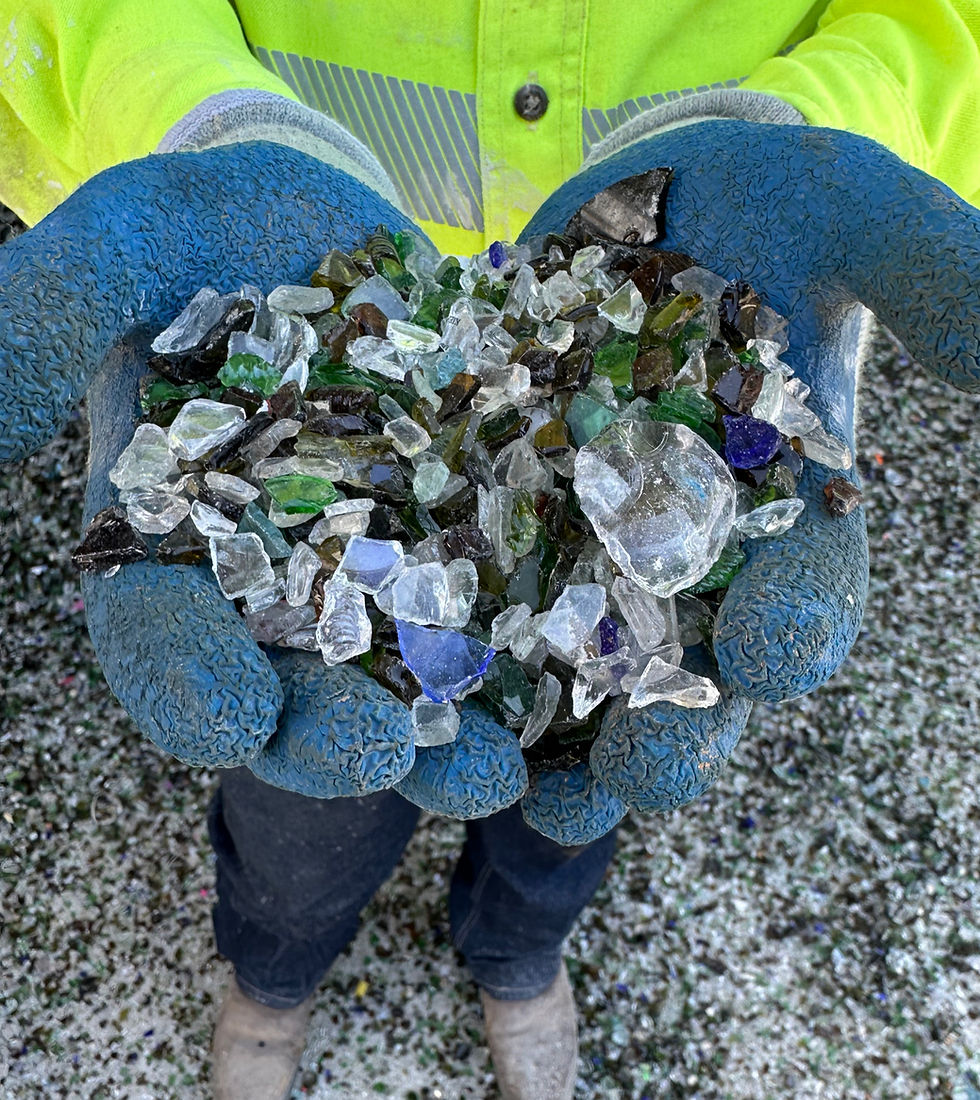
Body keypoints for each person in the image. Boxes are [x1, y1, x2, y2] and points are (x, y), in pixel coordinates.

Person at [0, 5, 978, 1099]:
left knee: (584, 774)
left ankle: (515, 955)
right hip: (297, 218)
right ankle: (274, 974)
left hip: (691, 219)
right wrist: (193, 120)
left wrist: (811, 126)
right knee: (294, 789)